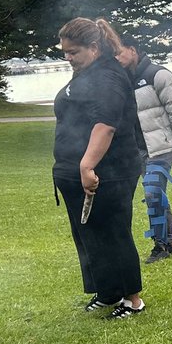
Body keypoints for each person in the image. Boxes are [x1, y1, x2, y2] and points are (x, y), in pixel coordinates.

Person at [54, 17, 146, 319]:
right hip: (75, 171)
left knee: (114, 231)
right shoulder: (86, 73)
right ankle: (108, 291)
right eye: (65, 52)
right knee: (89, 234)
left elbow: (105, 125)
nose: (68, 58)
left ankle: (132, 299)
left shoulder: (108, 77)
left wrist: (87, 164)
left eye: (73, 52)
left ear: (93, 48)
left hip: (111, 170)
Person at [116, 32, 172, 264]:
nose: (116, 57)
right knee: (157, 194)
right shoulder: (120, 80)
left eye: (119, 52)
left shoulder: (158, 74)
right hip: (138, 149)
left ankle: (161, 246)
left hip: (161, 147)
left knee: (152, 193)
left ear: (133, 50)